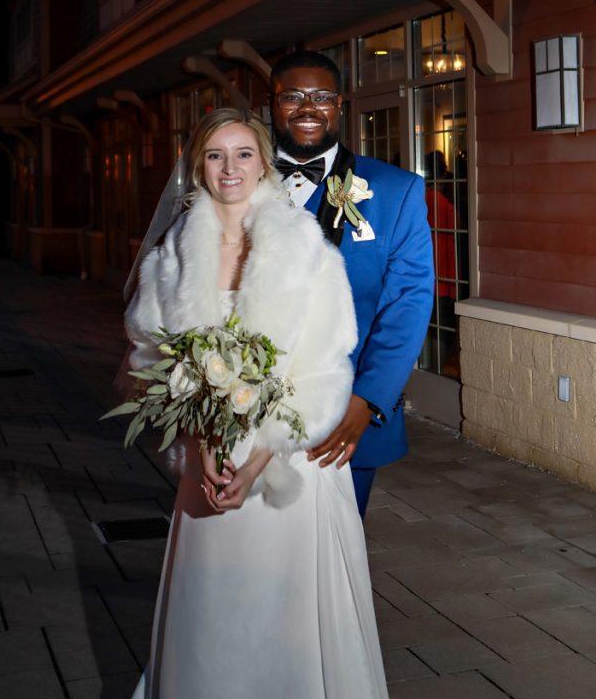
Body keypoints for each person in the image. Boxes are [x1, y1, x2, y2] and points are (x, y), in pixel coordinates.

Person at [122, 108, 389, 699]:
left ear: (264, 163)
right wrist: (198, 443)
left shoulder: (305, 248)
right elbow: (147, 357)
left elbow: (323, 367)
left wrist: (258, 458)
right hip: (205, 463)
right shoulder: (174, 257)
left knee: (285, 617)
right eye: (215, 155)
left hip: (286, 466)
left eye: (243, 153)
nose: (230, 168)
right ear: (198, 169)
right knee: (213, 611)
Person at [271, 51, 434, 519]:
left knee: (334, 558)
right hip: (249, 410)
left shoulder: (396, 190)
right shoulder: (240, 180)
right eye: (293, 97)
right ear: (272, 104)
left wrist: (369, 399)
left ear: (339, 105)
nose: (308, 108)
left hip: (346, 415)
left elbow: (408, 302)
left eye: (321, 96)